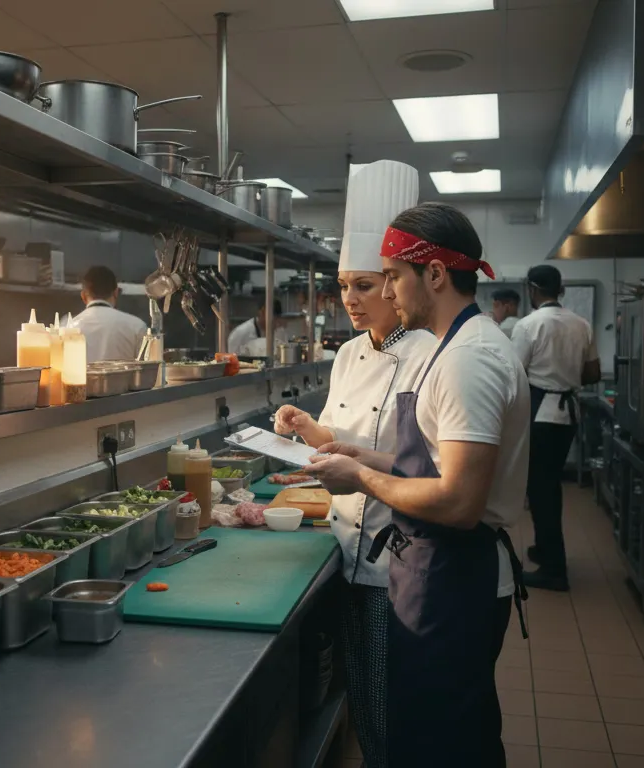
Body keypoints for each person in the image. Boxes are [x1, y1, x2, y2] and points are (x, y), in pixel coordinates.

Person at [303, 202, 530, 768]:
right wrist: (367, 454)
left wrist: (359, 475)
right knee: (430, 735)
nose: (390, 291)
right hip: (442, 571)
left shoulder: (468, 359)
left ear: (433, 273)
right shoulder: (455, 347)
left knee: (443, 744)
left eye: (394, 276)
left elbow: (456, 500)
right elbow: (435, 462)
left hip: (458, 575)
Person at [272, 160, 432, 768]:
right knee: (362, 693)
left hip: (394, 557)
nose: (350, 300)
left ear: (397, 284)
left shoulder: (427, 355)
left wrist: (360, 469)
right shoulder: (347, 355)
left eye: (366, 285)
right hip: (342, 543)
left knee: (388, 705)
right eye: (343, 285)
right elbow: (353, 436)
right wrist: (310, 430)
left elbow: (430, 467)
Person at [510, 264, 601, 592]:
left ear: (532, 289)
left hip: (540, 413)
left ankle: (553, 569)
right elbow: (592, 374)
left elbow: (515, 375)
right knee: (548, 485)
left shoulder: (528, 325)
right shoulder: (581, 324)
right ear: (559, 290)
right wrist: (566, 373)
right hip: (568, 413)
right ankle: (544, 549)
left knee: (541, 489)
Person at [70, 265, 147, 362]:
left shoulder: (67, 328)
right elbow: (149, 371)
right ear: (116, 293)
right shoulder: (137, 326)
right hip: (124, 377)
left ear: (83, 296)